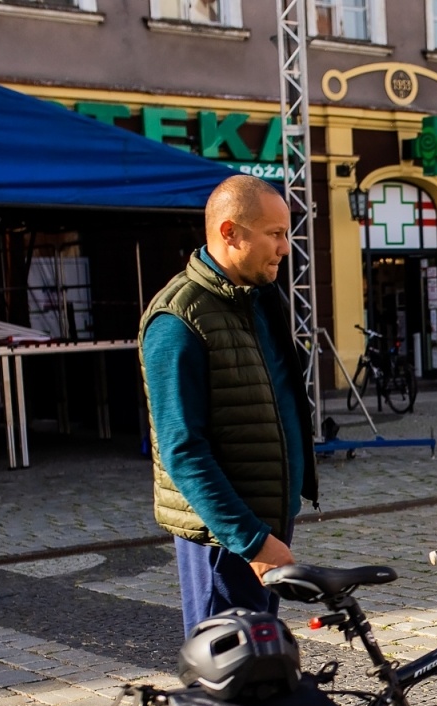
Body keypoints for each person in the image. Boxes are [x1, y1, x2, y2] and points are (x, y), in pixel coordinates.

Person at [140, 174, 320, 637]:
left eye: (287, 233)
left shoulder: (259, 298)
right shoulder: (178, 319)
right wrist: (252, 541)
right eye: (275, 234)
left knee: (258, 664)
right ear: (230, 232)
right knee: (224, 670)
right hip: (223, 537)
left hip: (266, 518)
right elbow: (183, 450)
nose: (286, 248)